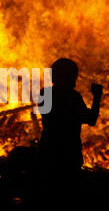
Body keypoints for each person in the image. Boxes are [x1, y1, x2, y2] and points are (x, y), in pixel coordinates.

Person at [37, 58, 103, 190]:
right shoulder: (73, 97)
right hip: (69, 155)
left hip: (47, 153)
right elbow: (91, 120)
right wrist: (96, 97)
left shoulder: (45, 93)